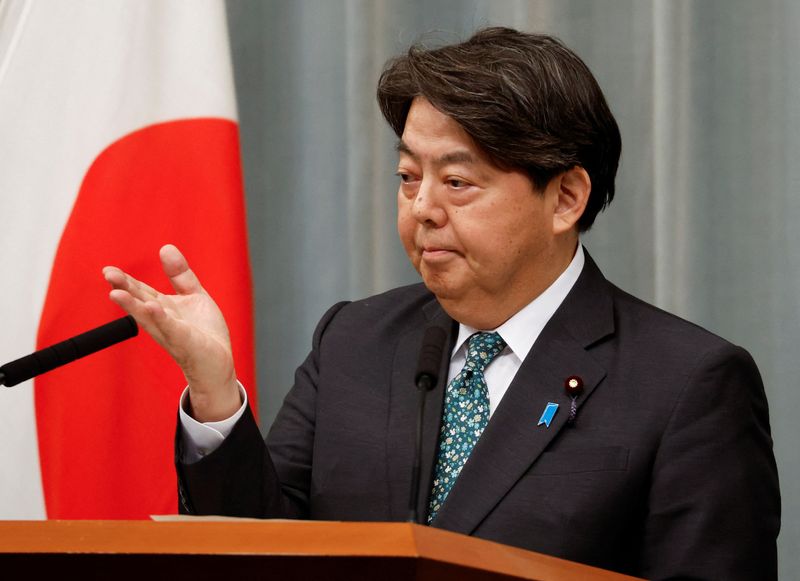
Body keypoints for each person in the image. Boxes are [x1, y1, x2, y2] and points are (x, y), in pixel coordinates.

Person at [103, 27, 780, 580]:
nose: (421, 209)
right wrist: (215, 392)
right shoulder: (354, 342)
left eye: (457, 181)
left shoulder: (688, 385)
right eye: (407, 177)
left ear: (566, 198)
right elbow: (258, 543)